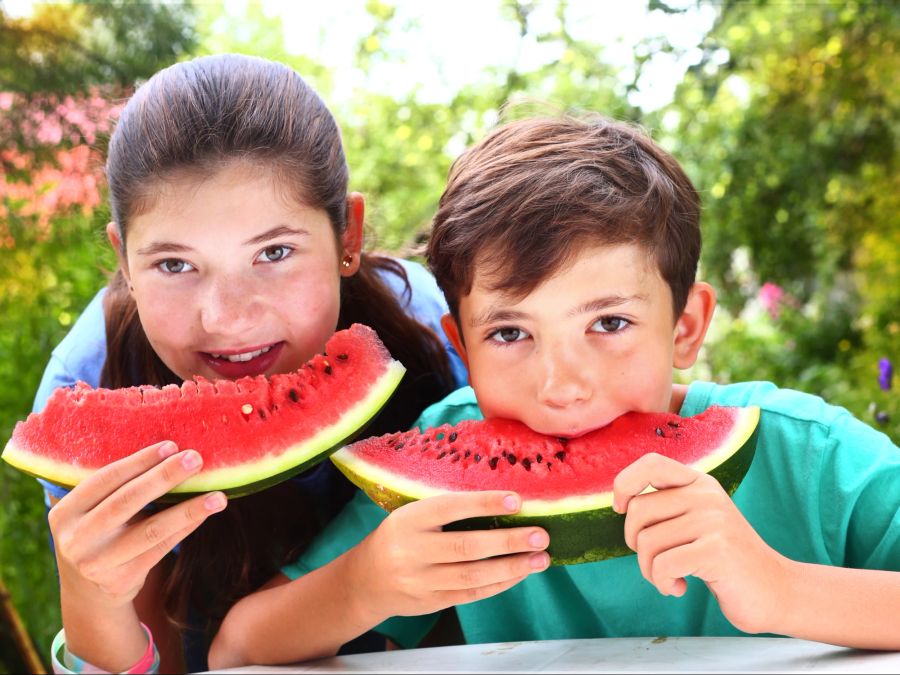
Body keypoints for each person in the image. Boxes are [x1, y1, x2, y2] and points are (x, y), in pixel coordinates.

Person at [208, 114, 900, 668]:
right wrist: (362, 585)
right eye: (510, 333)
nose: (562, 385)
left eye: (610, 322)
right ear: (464, 345)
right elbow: (237, 646)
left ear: (686, 327)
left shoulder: (808, 457)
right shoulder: (449, 477)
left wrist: (780, 589)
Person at [35, 53, 470, 674]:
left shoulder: (433, 322)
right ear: (124, 260)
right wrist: (91, 597)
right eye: (174, 265)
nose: (228, 318)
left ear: (348, 235)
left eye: (274, 251)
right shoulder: (84, 384)